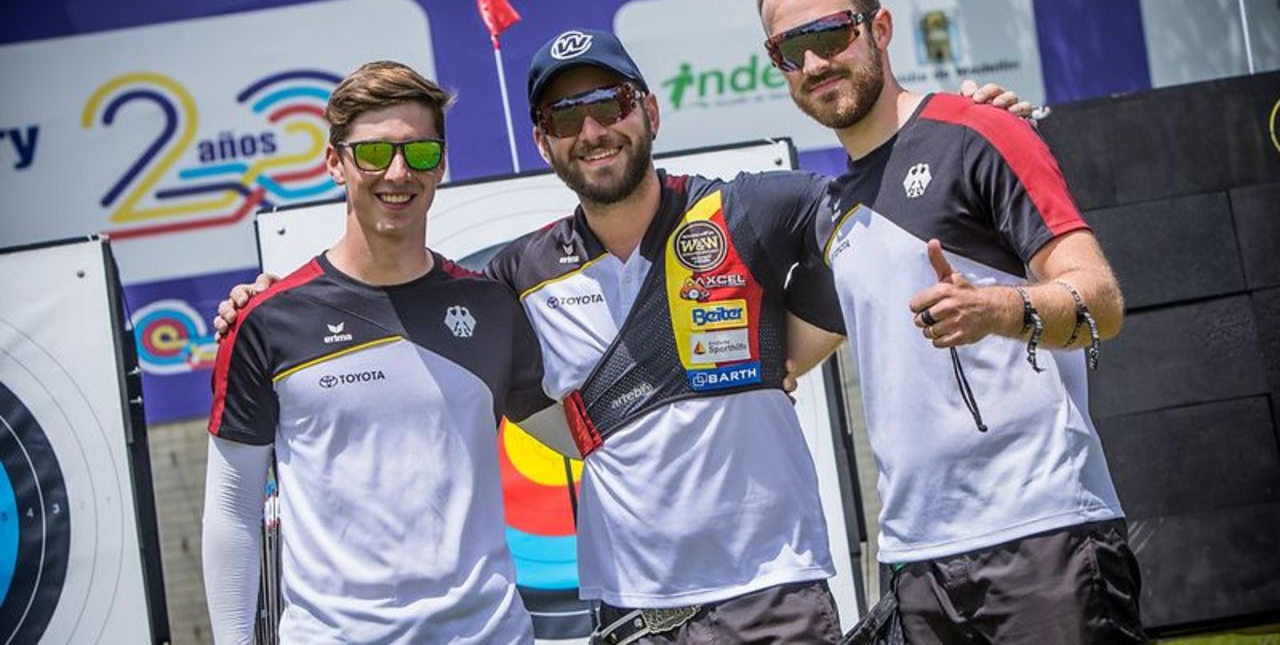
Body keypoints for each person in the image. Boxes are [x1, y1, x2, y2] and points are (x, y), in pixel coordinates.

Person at [213, 36, 1031, 643]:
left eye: (610, 105)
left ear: (650, 111)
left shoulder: (753, 209)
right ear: (542, 142)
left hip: (773, 597)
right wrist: (257, 306)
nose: (593, 129)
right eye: (566, 116)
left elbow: (875, 212)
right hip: (631, 615)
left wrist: (958, 127)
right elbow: (404, 317)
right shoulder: (510, 280)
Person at [757, 0, 1145, 643]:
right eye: (792, 50)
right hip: (916, 564)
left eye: (831, 35)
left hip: (1043, 534)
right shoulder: (832, 211)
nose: (815, 64)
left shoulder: (982, 131)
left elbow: (1101, 303)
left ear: (879, 29)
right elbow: (777, 360)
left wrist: (996, 310)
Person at [202, 61, 545, 644]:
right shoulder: (265, 321)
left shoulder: (491, 308)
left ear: (440, 165)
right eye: (373, 153)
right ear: (334, 162)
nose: (397, 173)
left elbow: (579, 434)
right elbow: (232, 512)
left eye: (419, 154)